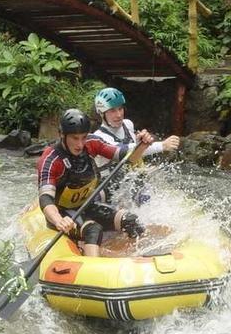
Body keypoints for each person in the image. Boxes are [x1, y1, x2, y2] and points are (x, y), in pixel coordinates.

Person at [37, 108, 153, 257]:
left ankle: (139, 256)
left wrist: (142, 146)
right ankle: (93, 268)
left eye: (83, 137)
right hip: (63, 213)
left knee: (130, 220)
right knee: (93, 229)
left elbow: (128, 157)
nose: (80, 144)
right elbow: (45, 199)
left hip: (88, 205)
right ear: (62, 135)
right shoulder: (51, 159)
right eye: (74, 138)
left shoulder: (91, 143)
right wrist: (59, 220)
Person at [90, 87, 180, 203]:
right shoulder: (99, 137)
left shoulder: (128, 125)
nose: (118, 115)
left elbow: (136, 154)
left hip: (131, 182)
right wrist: (162, 145)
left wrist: (139, 143)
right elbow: (125, 153)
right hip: (110, 189)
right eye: (112, 111)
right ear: (102, 114)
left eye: (120, 109)